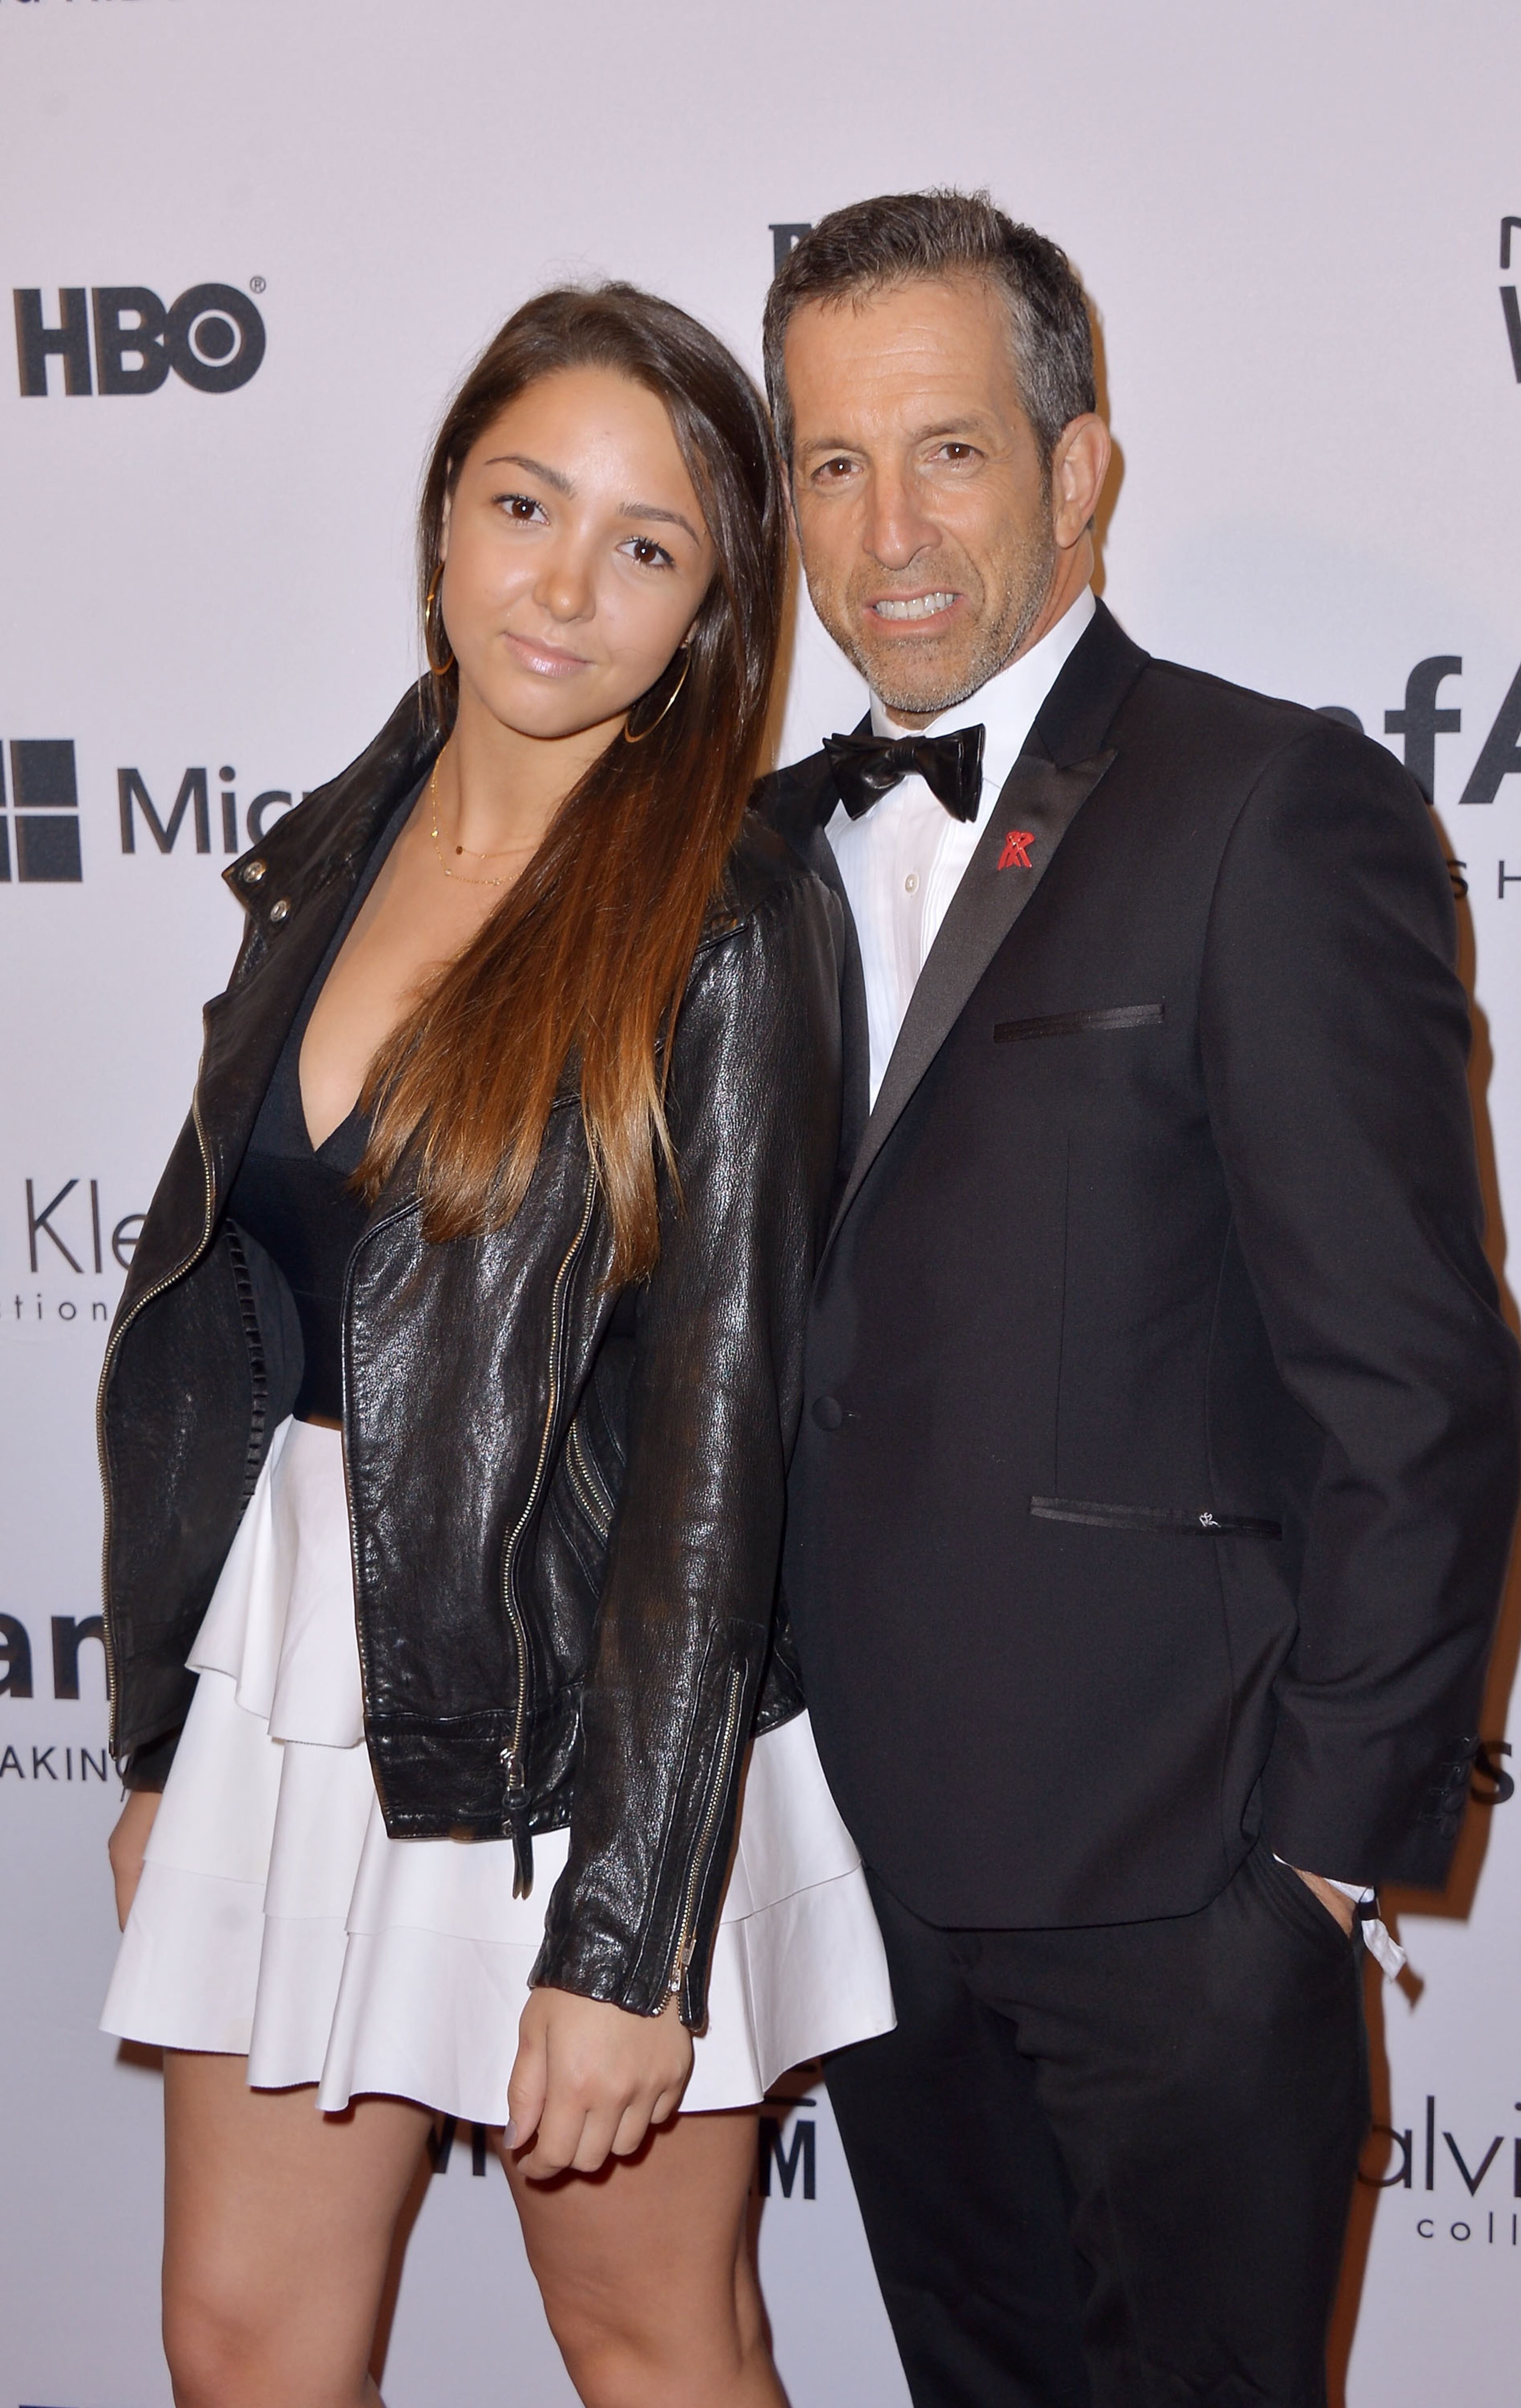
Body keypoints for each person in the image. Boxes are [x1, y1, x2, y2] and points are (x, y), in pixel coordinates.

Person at [758, 191, 1521, 2407]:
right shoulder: (756, 856)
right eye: (830, 460)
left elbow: (1419, 1378)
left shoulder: (1268, 807)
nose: (887, 528)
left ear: (1081, 469)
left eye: (952, 451)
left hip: (1184, 1890)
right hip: (873, 1879)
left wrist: (1305, 1861)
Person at [98, 282, 892, 2408]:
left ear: (715, 606)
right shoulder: (331, 849)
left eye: (646, 547)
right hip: (302, 1683)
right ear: (445, 515)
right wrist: (177, 1737)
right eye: (527, 505)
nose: (565, 585)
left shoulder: (730, 911)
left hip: (580, 1737)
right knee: (241, 2338)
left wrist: (629, 1940)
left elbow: (724, 1457)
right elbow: (239, 1331)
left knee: (649, 2346)